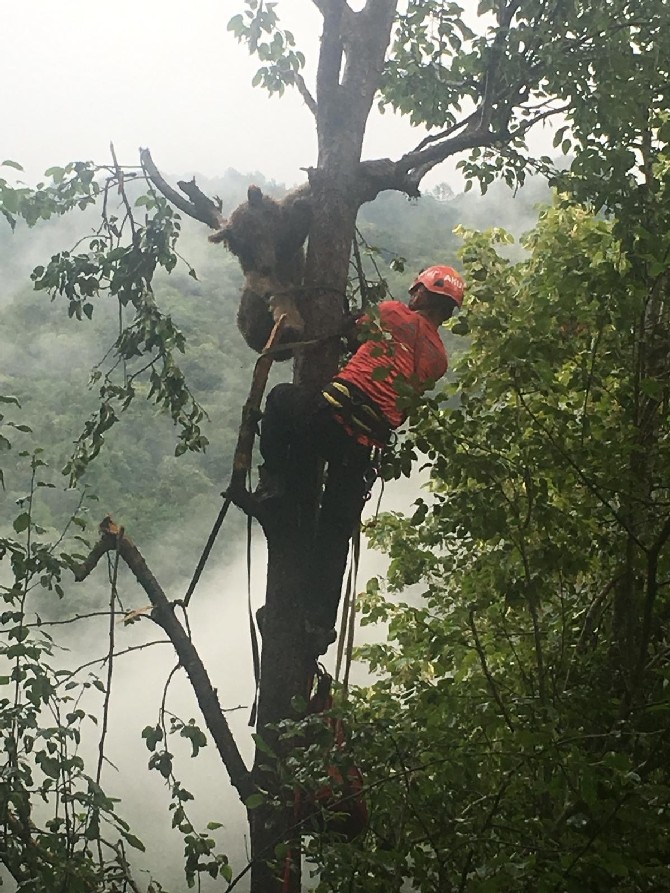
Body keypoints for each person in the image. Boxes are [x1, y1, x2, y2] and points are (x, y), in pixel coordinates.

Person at [258, 265, 465, 654]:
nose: (411, 296)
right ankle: (318, 624)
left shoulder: (390, 313)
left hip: (327, 418)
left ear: (424, 296)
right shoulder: (438, 359)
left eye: (416, 291)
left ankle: (274, 483)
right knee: (335, 532)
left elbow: (347, 327)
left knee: (281, 400)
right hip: (362, 447)